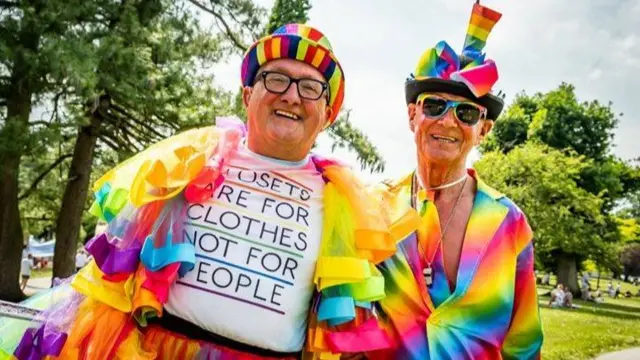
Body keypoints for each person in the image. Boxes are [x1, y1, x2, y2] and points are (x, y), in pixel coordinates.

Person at [4, 24, 407, 359]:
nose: (291, 95)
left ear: (327, 114)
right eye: (276, 78)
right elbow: (110, 280)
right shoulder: (189, 160)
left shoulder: (349, 202)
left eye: (310, 87)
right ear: (249, 95)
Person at [368, 3, 543, 359]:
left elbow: (524, 346)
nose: (448, 122)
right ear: (412, 115)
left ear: (484, 131)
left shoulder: (509, 223)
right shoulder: (372, 207)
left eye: (466, 113)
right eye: (434, 105)